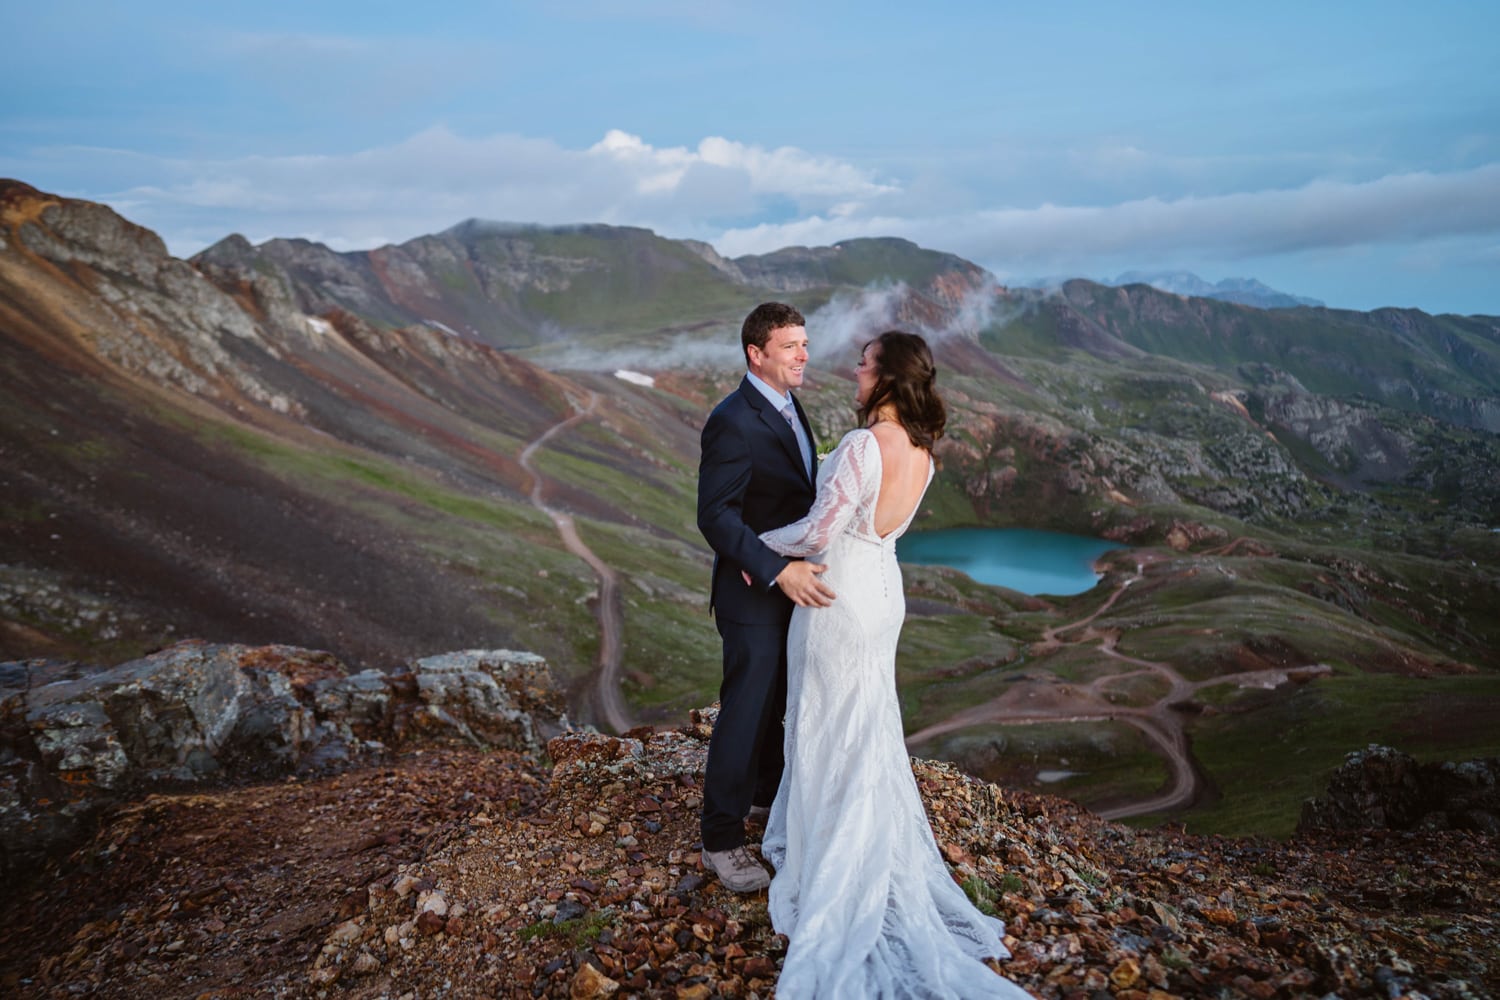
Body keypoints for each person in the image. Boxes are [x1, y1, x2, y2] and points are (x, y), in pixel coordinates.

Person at [758, 331, 1032, 998]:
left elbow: (818, 534)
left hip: (837, 595)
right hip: (882, 594)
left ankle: (831, 859)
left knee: (824, 721)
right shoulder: (923, 453)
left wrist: (753, 544)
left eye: (864, 363)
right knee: (867, 725)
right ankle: (864, 844)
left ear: (886, 378)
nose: (854, 370)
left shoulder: (861, 446)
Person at [696, 301, 836, 892]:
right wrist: (777, 571)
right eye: (790, 347)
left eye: (804, 343)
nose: (803, 355)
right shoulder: (732, 419)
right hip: (753, 596)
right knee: (745, 714)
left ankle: (761, 805)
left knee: (779, 706)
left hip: (788, 591)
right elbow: (716, 517)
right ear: (757, 354)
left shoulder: (787, 403)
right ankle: (720, 840)